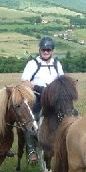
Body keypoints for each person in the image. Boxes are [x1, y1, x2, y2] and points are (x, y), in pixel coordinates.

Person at [20, 36, 65, 164]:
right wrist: (39, 88)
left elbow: (62, 81)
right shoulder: (32, 64)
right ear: (39, 50)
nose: (46, 52)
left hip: (54, 99)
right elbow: (24, 82)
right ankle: (31, 150)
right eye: (44, 49)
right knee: (29, 119)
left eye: (48, 50)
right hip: (37, 98)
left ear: (52, 51)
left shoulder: (57, 64)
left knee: (69, 115)